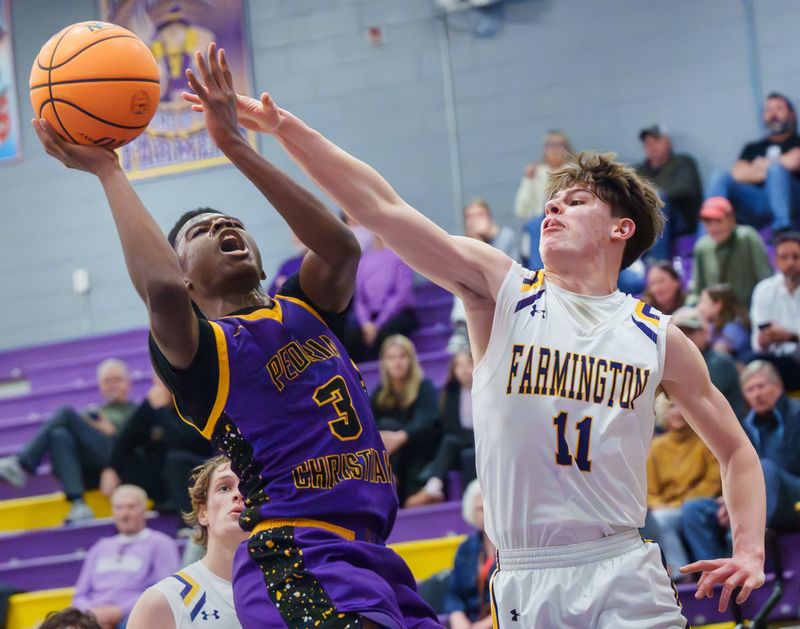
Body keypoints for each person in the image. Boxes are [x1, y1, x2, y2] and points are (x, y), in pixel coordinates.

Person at [223, 85, 768, 624]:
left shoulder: (658, 337)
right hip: (528, 574)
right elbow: (382, 209)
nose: (554, 207)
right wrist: (284, 130)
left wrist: (749, 550)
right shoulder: (502, 289)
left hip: (624, 562)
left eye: (576, 203)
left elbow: (738, 452)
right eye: (552, 202)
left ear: (622, 229)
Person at [35, 43, 438, 628]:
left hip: (370, 552)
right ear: (188, 273)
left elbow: (342, 245)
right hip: (296, 555)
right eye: (202, 229)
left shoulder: (304, 307)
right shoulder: (202, 354)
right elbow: (162, 293)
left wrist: (234, 146)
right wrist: (108, 170)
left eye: (234, 223)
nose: (225, 224)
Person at [682, 361, 800, 561]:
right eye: (750, 389)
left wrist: (741, 505)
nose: (756, 394)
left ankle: (738, 549)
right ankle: (715, 576)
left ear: (778, 386)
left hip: (792, 492)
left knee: (765, 469)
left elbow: (778, 466)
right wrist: (731, 500)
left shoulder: (796, 414)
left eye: (761, 386)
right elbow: (735, 469)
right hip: (757, 494)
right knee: (694, 509)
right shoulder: (743, 424)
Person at [0, 358, 136, 523]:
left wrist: (112, 439)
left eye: (117, 380)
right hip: (90, 469)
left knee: (65, 413)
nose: (112, 385)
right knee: (59, 435)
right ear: (100, 385)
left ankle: (21, 463)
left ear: (128, 382)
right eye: (107, 381)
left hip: (120, 465)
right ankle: (78, 502)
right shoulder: (95, 413)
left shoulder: (137, 412)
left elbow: (138, 449)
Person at [128, 456, 247, 629]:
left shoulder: (294, 588)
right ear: (203, 512)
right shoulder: (164, 601)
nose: (239, 494)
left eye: (249, 487)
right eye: (224, 488)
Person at [100, 374, 214, 514]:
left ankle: (188, 521)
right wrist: (111, 468)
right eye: (158, 380)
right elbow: (127, 439)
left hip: (203, 464)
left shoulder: (193, 400)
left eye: (163, 380)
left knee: (174, 459)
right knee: (133, 457)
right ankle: (158, 501)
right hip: (168, 473)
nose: (161, 387)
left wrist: (160, 410)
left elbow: (188, 440)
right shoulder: (154, 409)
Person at [72, 485, 180, 629]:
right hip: (93, 618)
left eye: (131, 507)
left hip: (135, 615)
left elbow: (164, 592)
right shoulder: (100, 547)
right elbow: (80, 595)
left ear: (144, 510)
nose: (124, 514)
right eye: (119, 508)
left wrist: (119, 611)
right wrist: (92, 614)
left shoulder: (160, 543)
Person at [644, 394, 721, 580]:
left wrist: (677, 504)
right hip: (666, 509)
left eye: (681, 407)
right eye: (671, 407)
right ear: (663, 412)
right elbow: (650, 491)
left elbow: (712, 484)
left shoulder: (706, 441)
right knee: (651, 519)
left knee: (664, 519)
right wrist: (663, 505)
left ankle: (681, 575)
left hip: (699, 506)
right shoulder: (655, 447)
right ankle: (671, 576)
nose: (677, 412)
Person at [707, 92, 800, 231]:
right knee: (719, 176)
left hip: (790, 198)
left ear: (792, 115)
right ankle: (707, 239)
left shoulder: (796, 142)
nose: (773, 113)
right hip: (756, 200)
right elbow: (737, 174)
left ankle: (783, 231)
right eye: (768, 109)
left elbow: (794, 162)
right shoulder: (752, 147)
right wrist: (774, 167)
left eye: (779, 108)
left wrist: (762, 166)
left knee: (776, 170)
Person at [370, 335, 440, 506]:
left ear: (411, 359)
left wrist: (401, 437)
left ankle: (396, 491)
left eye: (402, 356)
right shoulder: (379, 394)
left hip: (419, 452)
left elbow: (428, 423)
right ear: (384, 362)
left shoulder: (424, 387)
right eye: (391, 358)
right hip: (392, 459)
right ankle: (390, 482)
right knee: (384, 428)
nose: (397, 362)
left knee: (390, 428)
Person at [406, 348, 476, 507]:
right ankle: (433, 486)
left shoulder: (488, 388)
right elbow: (450, 427)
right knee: (450, 442)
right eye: (459, 365)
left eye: (469, 364)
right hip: (463, 443)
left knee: (469, 454)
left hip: (485, 443)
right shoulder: (452, 392)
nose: (464, 370)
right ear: (454, 370)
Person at [690, 196, 773, 309]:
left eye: (718, 221)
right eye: (708, 222)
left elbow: (765, 279)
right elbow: (698, 290)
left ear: (731, 219)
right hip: (714, 314)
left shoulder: (747, 237)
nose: (714, 227)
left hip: (747, 311)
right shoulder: (702, 246)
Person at [635, 124, 703, 260]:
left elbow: (687, 188)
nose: (652, 146)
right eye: (648, 143)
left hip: (680, 219)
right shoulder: (638, 171)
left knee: (658, 198)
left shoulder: (683, 162)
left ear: (668, 142)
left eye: (656, 141)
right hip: (648, 221)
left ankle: (658, 260)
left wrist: (653, 195)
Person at [345, 235, 418, 362]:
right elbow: (360, 299)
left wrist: (378, 324)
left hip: (398, 314)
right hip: (371, 318)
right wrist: (365, 323)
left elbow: (401, 295)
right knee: (350, 334)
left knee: (387, 332)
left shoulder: (400, 257)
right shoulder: (364, 260)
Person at [671, 307, 747, 418]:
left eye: (691, 331)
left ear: (705, 333)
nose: (685, 337)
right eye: (680, 332)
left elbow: (696, 400)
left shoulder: (720, 363)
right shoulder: (679, 364)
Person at [750, 230, 800, 390]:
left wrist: (792, 337)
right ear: (775, 260)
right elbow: (756, 341)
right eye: (784, 257)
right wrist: (763, 341)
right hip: (774, 360)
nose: (790, 262)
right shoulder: (764, 289)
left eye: (796, 257)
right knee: (753, 362)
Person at [516, 131, 573, 268]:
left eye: (558, 145)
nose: (554, 150)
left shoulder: (573, 172)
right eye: (549, 145)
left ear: (566, 148)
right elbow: (521, 210)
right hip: (539, 228)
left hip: (567, 225)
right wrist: (528, 180)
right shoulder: (536, 173)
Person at [443, 480, 495, 629]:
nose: (487, 513)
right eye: (481, 509)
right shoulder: (466, 548)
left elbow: (516, 597)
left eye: (490, 507)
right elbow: (453, 593)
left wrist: (486, 624)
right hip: (471, 622)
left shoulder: (515, 546)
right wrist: (458, 620)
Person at [697, 284, 751, 361]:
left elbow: (719, 352)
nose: (699, 307)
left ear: (717, 305)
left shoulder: (733, 329)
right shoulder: (712, 325)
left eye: (703, 302)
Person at [267, 230, 308, 296]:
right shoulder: (287, 265)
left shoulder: (323, 262)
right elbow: (271, 294)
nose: (299, 238)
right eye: (295, 236)